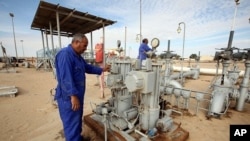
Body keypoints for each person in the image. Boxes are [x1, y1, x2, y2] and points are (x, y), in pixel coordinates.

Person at [54, 33, 110, 141]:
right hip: (69, 98)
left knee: (76, 121)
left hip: (76, 96)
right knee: (71, 123)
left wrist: (102, 69)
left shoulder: (77, 56)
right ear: (76, 42)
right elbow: (66, 78)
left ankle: (78, 138)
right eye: (84, 46)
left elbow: (87, 67)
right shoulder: (65, 55)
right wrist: (73, 96)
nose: (85, 49)